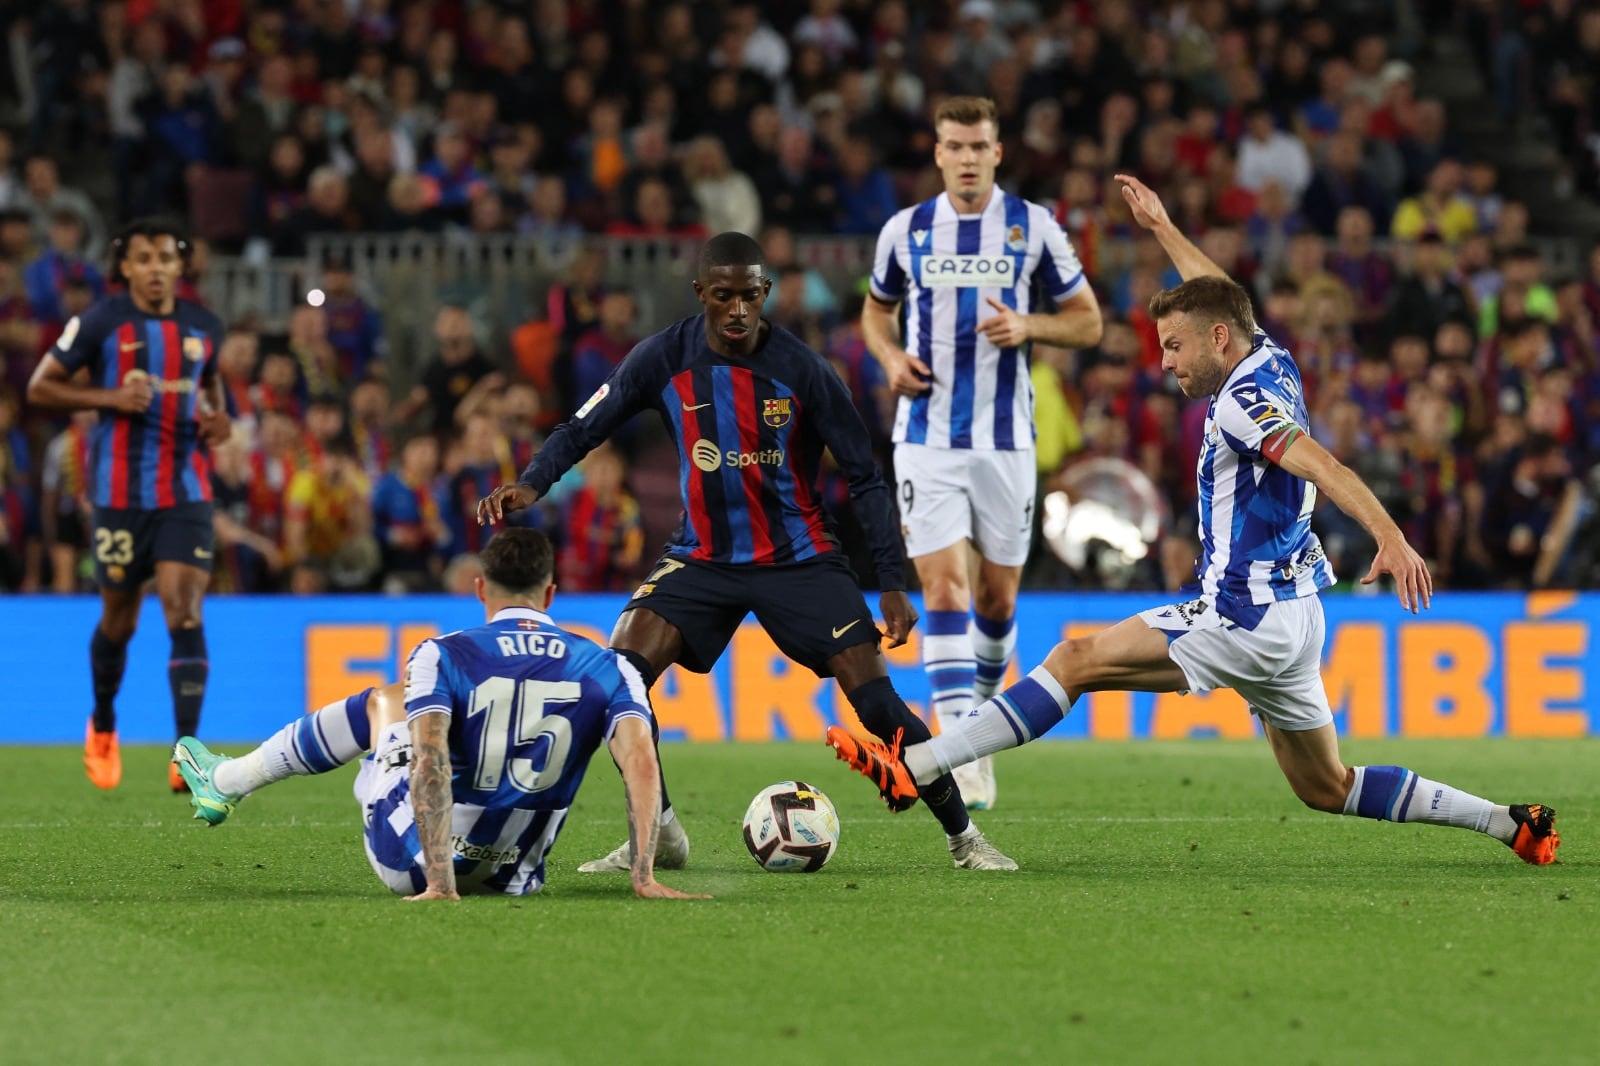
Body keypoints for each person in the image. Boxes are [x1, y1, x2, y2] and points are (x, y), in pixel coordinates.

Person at [826, 175, 1561, 869]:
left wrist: (1391, 537)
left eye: (1174, 347)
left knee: (1076, 661)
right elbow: (1228, 297)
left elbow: (1321, 464)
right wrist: (1164, 228)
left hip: (1246, 613)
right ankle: (1509, 824)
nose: (1166, 363)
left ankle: (916, 764)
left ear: (1215, 342)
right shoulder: (1270, 357)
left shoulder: (1243, 404)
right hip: (1296, 612)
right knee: (1325, 786)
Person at [479, 232, 1016, 872]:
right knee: (616, 682)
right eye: (724, 295)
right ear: (702, 293)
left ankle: (964, 837)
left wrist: (892, 581)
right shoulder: (661, 358)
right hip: (700, 557)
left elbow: (865, 476)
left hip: (799, 558)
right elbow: (584, 425)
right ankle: (660, 834)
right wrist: (534, 481)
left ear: (765, 294)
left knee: (877, 705)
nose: (738, 309)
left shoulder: (806, 370)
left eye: (750, 295)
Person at [171, 529, 706, 902]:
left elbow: (428, 759)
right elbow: (639, 760)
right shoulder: (609, 667)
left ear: (480, 588)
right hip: (515, 875)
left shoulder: (444, 653)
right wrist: (643, 876)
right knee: (406, 709)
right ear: (550, 593)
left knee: (386, 703)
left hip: (415, 865)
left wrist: (440, 883)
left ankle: (226, 779)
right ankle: (227, 780)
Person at [861, 95, 1104, 810]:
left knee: (997, 602)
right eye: (954, 146)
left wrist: (1028, 324)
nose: (967, 158)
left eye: (979, 146)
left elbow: (1088, 324)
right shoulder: (905, 232)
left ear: (998, 152)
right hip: (926, 437)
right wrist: (888, 357)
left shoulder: (1034, 228)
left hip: (1006, 441)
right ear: (937, 154)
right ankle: (960, 747)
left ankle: (983, 711)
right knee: (944, 590)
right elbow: (876, 312)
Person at [27, 217, 229, 792]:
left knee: (184, 611)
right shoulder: (100, 321)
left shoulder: (203, 326)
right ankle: (105, 723)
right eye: (144, 258)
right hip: (117, 497)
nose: (157, 268)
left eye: (166, 257)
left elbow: (215, 392)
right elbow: (40, 387)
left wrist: (219, 420)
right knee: (120, 619)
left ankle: (186, 752)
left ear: (179, 265)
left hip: (186, 491)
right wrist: (110, 396)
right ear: (125, 268)